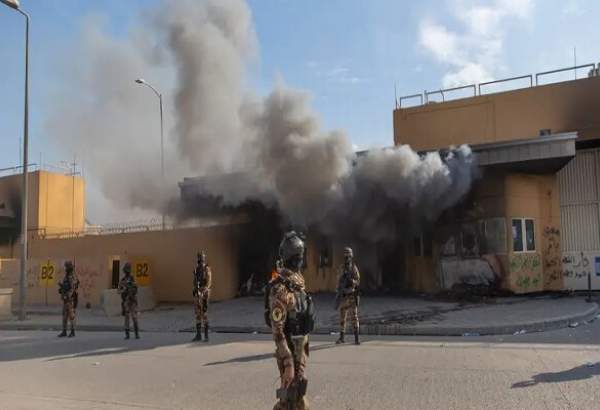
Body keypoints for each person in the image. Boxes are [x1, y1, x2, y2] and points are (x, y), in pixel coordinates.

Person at [266, 231, 314, 410]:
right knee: (288, 400)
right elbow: (277, 331)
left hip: (300, 349)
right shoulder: (280, 289)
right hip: (290, 352)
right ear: (295, 259)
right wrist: (287, 364)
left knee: (297, 396)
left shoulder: (297, 280)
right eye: (300, 257)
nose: (302, 261)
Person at [335, 247, 361, 345]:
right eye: (345, 256)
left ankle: (357, 338)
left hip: (351, 295)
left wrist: (351, 281)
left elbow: (358, 281)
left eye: (348, 256)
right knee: (342, 318)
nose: (346, 258)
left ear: (351, 256)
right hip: (343, 295)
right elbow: (338, 281)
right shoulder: (341, 268)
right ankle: (341, 337)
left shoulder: (353, 268)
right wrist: (338, 291)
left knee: (354, 317)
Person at [192, 251, 212, 342]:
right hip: (198, 293)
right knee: (197, 314)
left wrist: (204, 291)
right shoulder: (196, 269)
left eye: (201, 259)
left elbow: (208, 282)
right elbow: (194, 282)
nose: (200, 261)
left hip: (204, 293)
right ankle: (199, 335)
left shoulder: (206, 269)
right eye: (199, 259)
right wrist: (196, 289)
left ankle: (206, 336)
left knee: (204, 313)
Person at [58, 260, 79, 338]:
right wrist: (61, 290)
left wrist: (68, 296)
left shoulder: (72, 276)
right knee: (64, 316)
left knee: (71, 316)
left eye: (67, 266)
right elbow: (66, 286)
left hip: (71, 300)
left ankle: (72, 331)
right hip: (66, 299)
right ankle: (64, 331)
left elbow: (72, 288)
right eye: (65, 266)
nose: (65, 268)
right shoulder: (66, 276)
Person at [118, 262, 139, 340]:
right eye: (126, 271)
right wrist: (124, 290)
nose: (127, 272)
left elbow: (136, 288)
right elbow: (118, 291)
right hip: (126, 301)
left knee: (134, 317)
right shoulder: (122, 280)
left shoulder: (132, 279)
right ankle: (127, 335)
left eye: (128, 271)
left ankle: (136, 334)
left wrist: (131, 290)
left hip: (132, 301)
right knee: (127, 318)